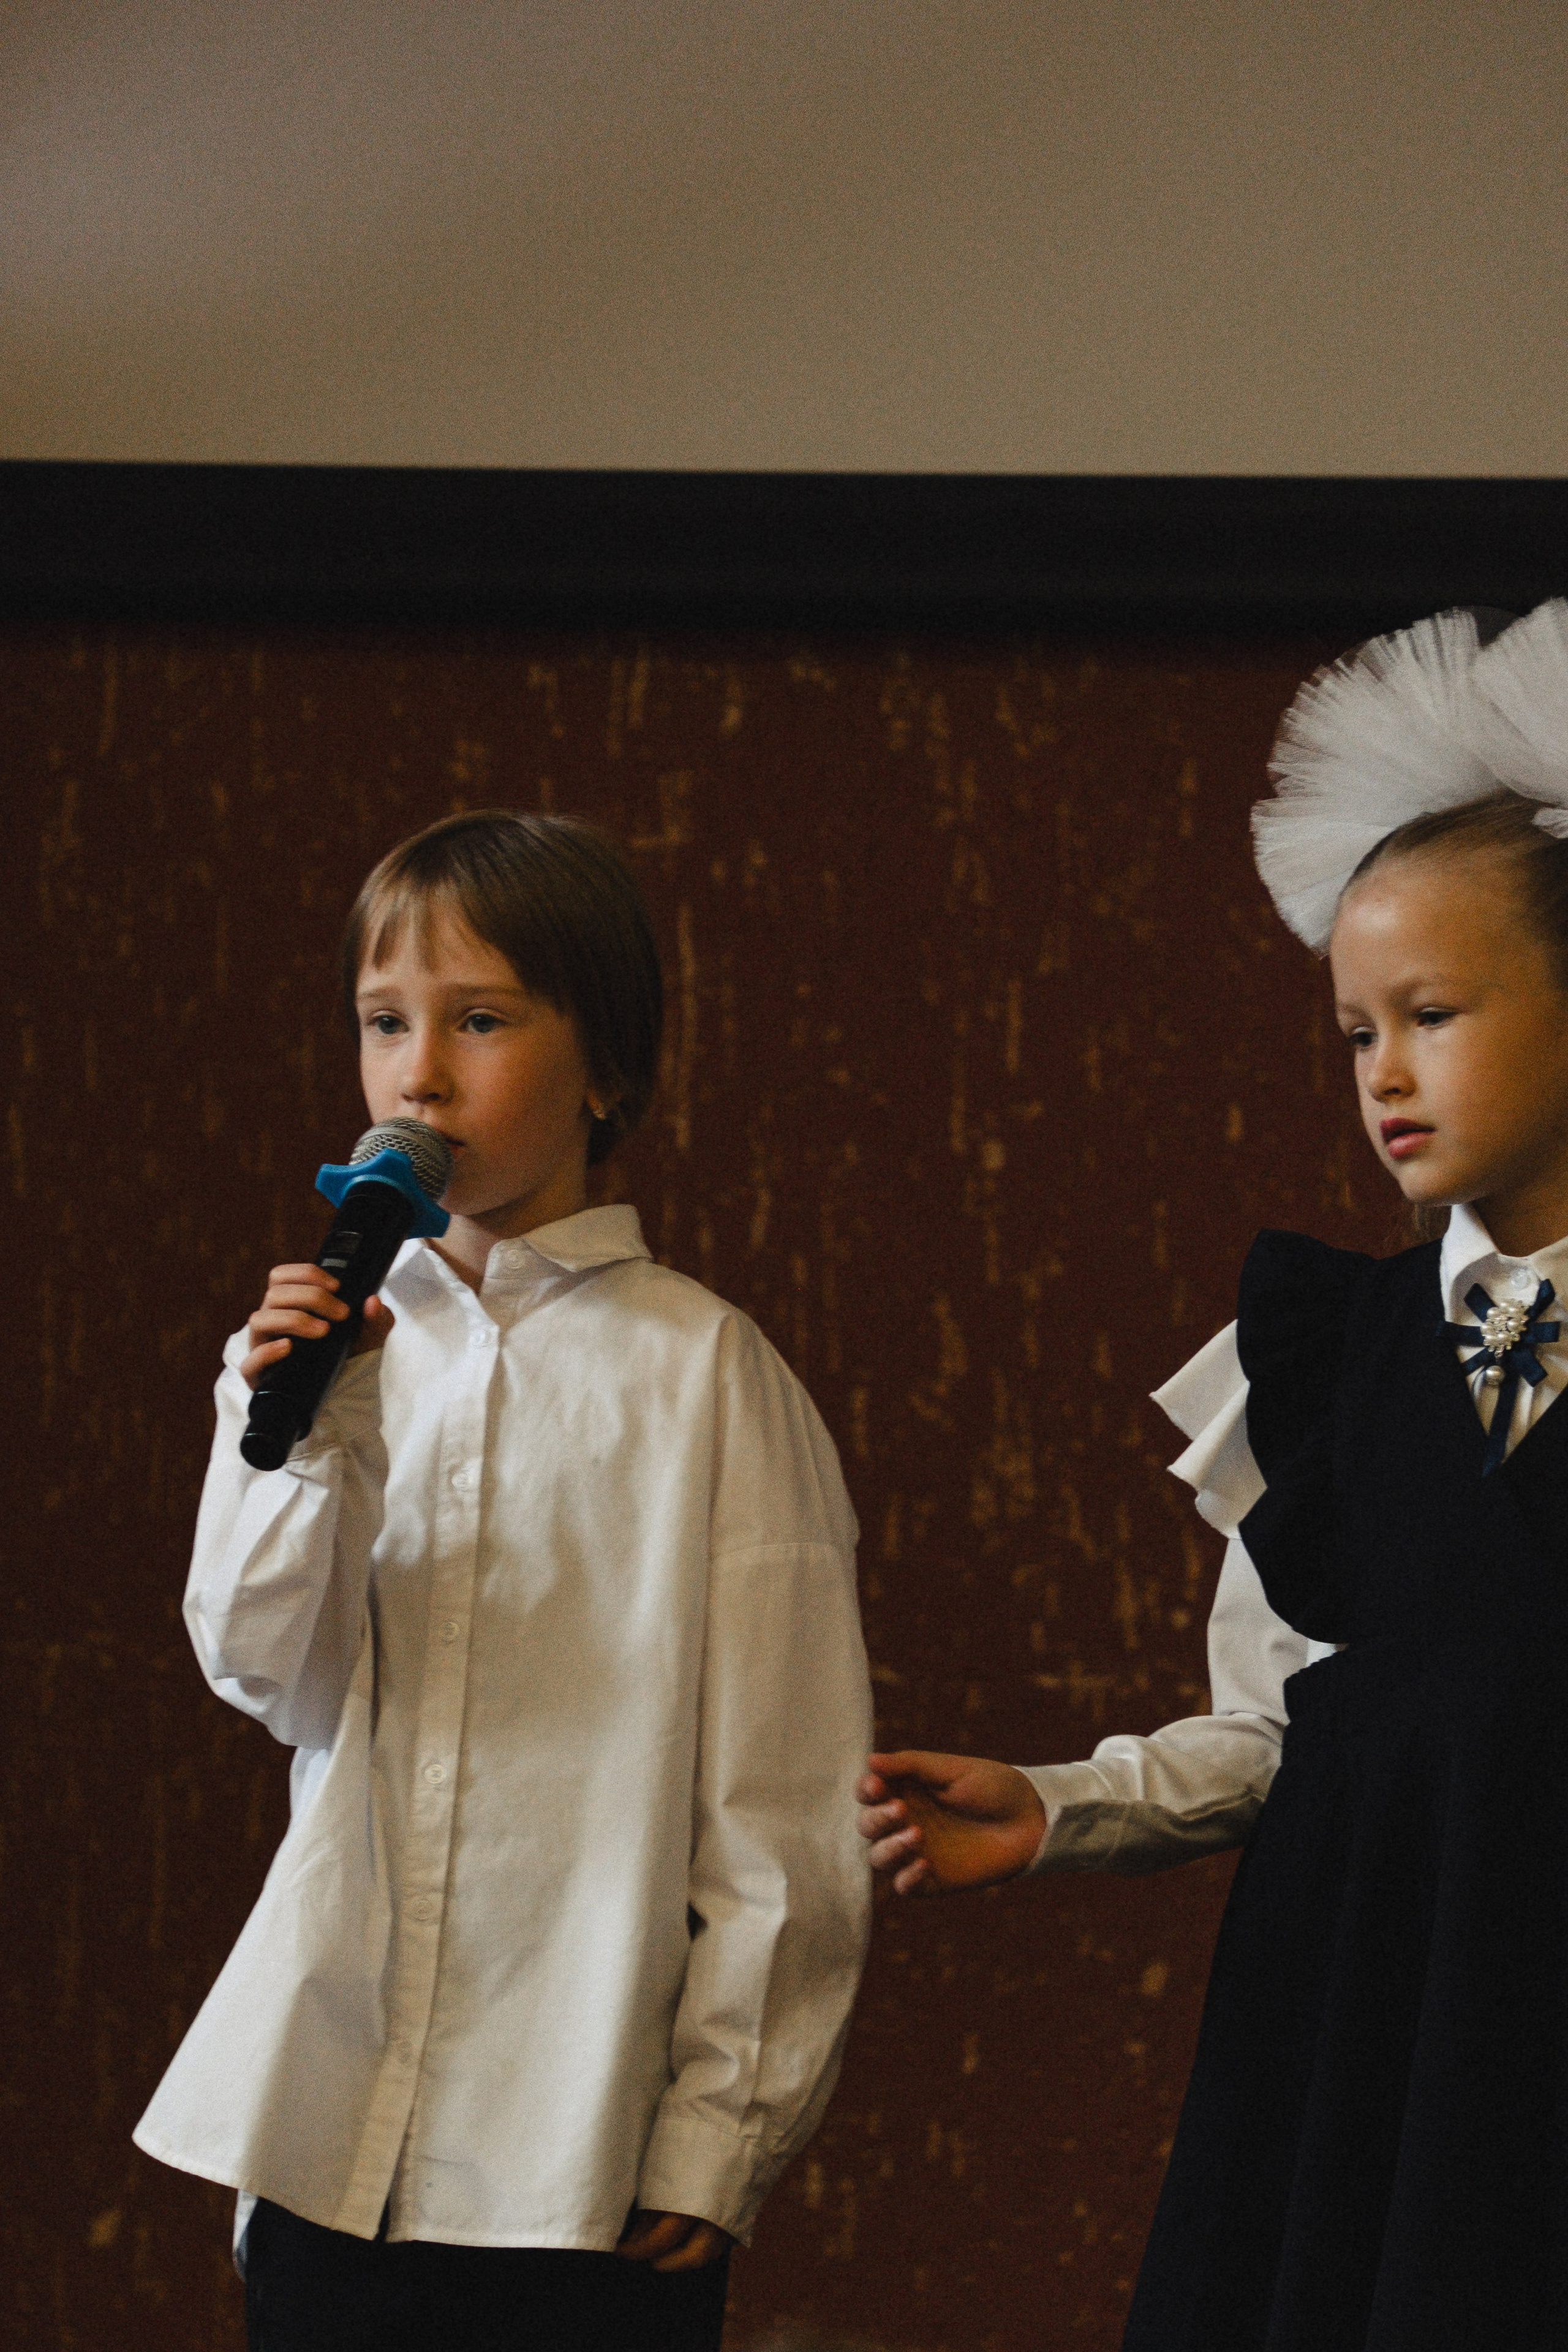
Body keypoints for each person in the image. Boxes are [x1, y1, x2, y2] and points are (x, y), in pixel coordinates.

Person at [858, 601, 1568, 2350]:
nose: (1385, 1073)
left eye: (1435, 1013)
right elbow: (1282, 1718)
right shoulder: (1332, 1361)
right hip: (1373, 2031)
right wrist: (1064, 1811)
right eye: (1352, 1033)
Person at [135, 810, 872, 2352]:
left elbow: (782, 1802)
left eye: (480, 1021)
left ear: (603, 1068)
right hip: (334, 2138)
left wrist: (722, 2125)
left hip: (579, 2165)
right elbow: (265, 1670)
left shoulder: (706, 1378)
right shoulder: (320, 1356)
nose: (419, 1075)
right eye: (383, 1024)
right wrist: (303, 1430)